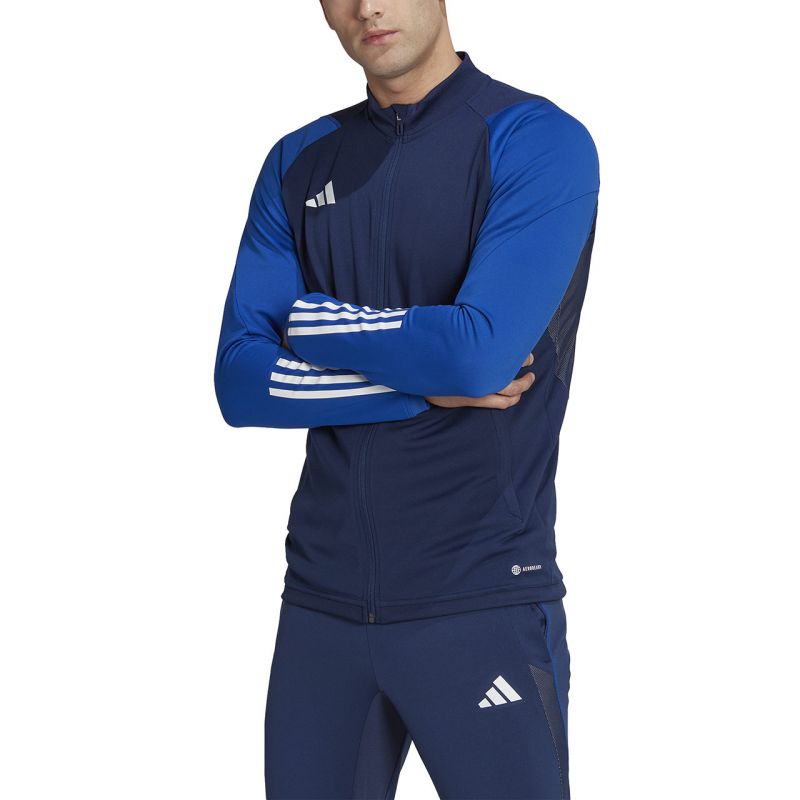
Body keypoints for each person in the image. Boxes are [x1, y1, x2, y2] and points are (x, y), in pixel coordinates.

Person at [213, 1, 599, 796]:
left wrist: (311, 321)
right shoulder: (298, 161)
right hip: (320, 606)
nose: (367, 6)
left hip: (481, 597)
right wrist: (424, 390)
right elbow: (241, 380)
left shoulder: (536, 141)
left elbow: (477, 352)